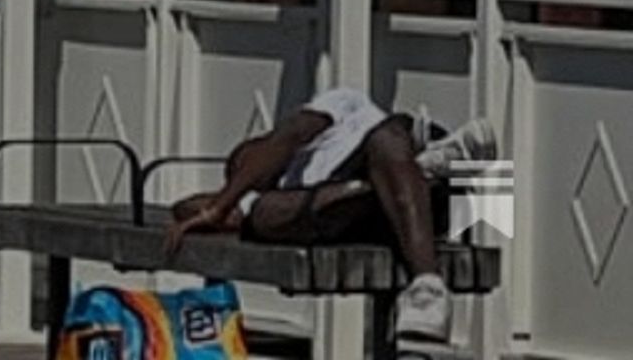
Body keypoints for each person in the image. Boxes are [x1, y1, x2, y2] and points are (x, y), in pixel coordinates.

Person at [165, 88, 496, 345]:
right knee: (265, 215)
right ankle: (423, 169)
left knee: (388, 138)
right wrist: (219, 208)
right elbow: (185, 208)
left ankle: (428, 288)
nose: (243, 166)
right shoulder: (268, 196)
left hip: (403, 182)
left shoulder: (338, 108)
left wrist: (222, 201)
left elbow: (292, 133)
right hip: (361, 211)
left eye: (246, 158)